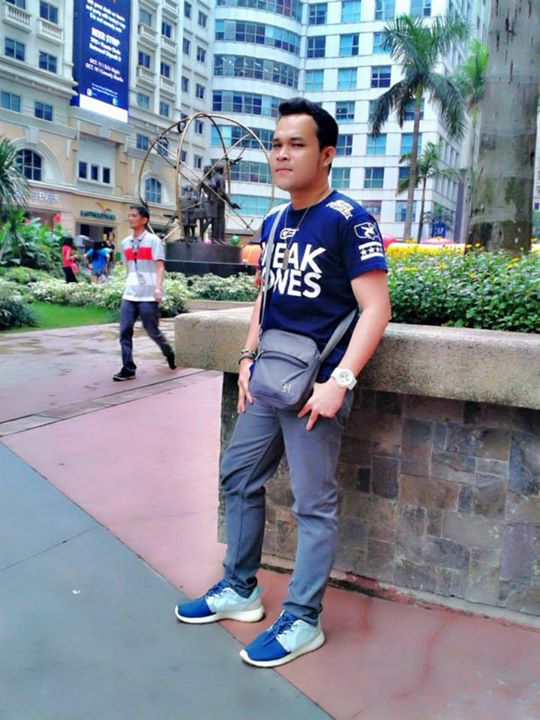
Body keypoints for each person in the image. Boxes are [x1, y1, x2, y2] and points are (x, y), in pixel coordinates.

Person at [175, 98, 392, 667]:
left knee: (313, 504)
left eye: (296, 144)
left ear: (326, 154)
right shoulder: (274, 222)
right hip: (270, 377)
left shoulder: (348, 219)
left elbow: (376, 309)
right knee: (238, 474)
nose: (281, 154)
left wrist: (340, 380)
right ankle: (240, 588)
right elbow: (265, 298)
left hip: (317, 387)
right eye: (276, 144)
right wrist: (247, 358)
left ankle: (303, 619)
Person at [113, 205, 176, 381]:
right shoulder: (125, 243)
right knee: (124, 331)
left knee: (152, 330)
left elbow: (160, 266)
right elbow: (128, 266)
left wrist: (158, 288)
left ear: (144, 220)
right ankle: (128, 368)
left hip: (148, 295)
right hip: (129, 294)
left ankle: (169, 353)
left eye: (134, 215)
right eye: (129, 215)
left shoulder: (153, 240)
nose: (130, 218)